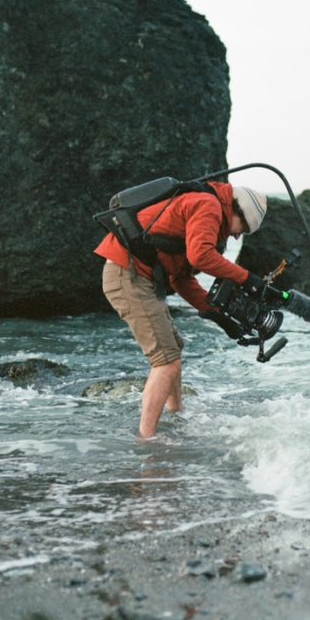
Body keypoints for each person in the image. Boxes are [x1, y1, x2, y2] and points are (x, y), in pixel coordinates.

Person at [95, 181, 268, 438]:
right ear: (237, 211)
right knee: (165, 361)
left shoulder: (205, 210)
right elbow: (202, 257)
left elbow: (181, 278)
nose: (236, 237)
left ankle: (177, 414)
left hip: (133, 276)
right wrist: (246, 278)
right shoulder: (208, 205)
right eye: (242, 229)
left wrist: (219, 317)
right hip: (127, 275)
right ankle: (147, 440)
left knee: (174, 348)